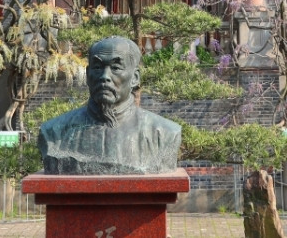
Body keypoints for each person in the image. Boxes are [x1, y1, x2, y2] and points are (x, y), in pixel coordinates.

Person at [38, 35, 181, 174]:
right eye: (97, 67)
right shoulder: (54, 133)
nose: (105, 76)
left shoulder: (164, 134)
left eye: (116, 68)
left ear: (135, 78)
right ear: (87, 75)